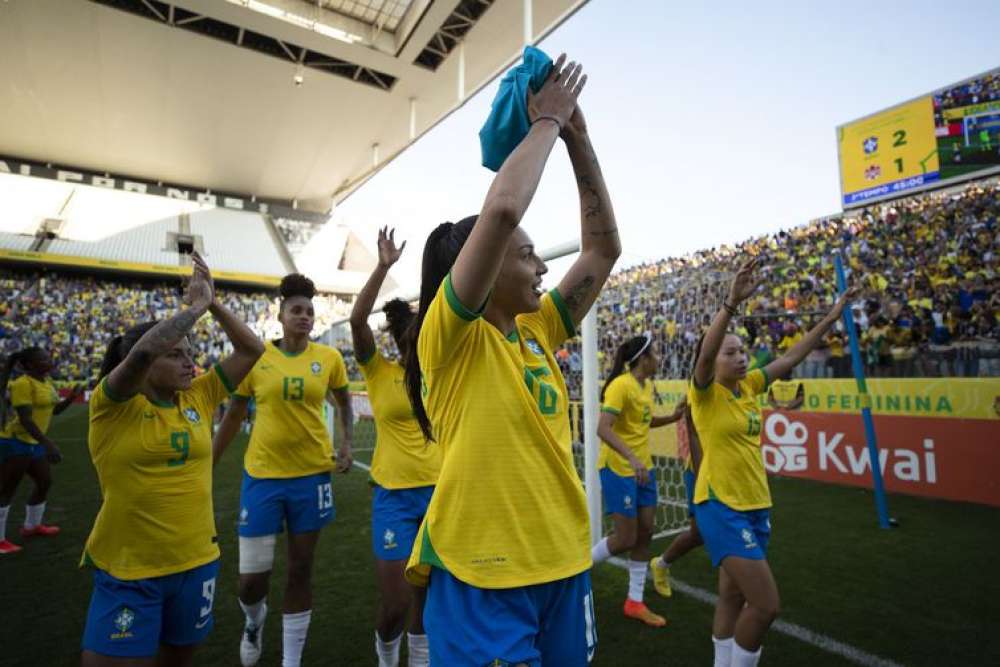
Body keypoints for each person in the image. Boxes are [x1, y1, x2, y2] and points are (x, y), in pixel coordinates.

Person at [403, 55, 619, 664]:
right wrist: (545, 121)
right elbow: (501, 212)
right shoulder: (447, 338)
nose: (543, 267)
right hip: (482, 573)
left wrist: (579, 138)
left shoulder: (538, 330)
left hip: (563, 560)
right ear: (486, 262)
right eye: (527, 256)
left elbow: (603, 249)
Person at [81, 252, 263, 666]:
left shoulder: (197, 394)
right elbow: (142, 354)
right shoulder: (112, 407)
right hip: (129, 571)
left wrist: (213, 302)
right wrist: (194, 309)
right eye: (176, 355)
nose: (190, 362)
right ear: (146, 367)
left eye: (189, 353)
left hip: (196, 563)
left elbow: (251, 348)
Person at [690, 257, 856, 667]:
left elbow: (792, 358)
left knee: (733, 596)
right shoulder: (705, 393)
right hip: (720, 504)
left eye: (743, 350)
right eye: (732, 353)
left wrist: (830, 317)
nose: (742, 357)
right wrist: (730, 303)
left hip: (755, 505)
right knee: (766, 607)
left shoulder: (751, 386)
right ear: (714, 361)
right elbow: (708, 354)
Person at [213, 272, 355, 667]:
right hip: (262, 477)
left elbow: (344, 402)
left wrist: (344, 442)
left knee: (300, 569)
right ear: (280, 315)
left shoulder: (328, 359)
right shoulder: (257, 358)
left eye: (310, 312)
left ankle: (291, 660)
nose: (305, 316)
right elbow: (234, 413)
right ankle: (254, 621)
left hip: (311, 477)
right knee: (251, 579)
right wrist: (207, 462)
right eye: (297, 310)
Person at [349, 228, 441, 667]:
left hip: (442, 494)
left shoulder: (439, 372)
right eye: (407, 340)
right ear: (398, 341)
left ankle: (419, 661)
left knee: (427, 600)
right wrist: (383, 266)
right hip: (394, 498)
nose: (414, 346)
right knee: (396, 604)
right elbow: (356, 321)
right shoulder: (377, 371)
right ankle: (386, 652)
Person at [589, 333, 684, 626]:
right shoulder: (621, 385)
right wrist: (631, 457)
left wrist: (673, 417)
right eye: (655, 353)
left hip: (645, 468)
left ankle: (634, 602)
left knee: (645, 533)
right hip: (619, 467)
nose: (659, 358)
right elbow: (603, 429)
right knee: (626, 538)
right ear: (643, 359)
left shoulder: (645, 386)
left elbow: (644, 421)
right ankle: (575, 570)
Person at [0, 348, 82, 554]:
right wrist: (48, 443)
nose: (49, 360)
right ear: (28, 366)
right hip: (15, 441)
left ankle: (31, 527)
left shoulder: (47, 383)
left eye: (48, 356)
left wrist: (71, 397)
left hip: (33, 443)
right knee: (6, 490)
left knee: (44, 482)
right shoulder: (22, 384)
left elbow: (54, 410)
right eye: (42, 359)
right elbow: (26, 419)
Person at [650, 394, 705, 597]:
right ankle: (661, 563)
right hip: (701, 468)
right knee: (699, 533)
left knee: (726, 531)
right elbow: (685, 410)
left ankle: (742, 591)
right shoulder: (700, 391)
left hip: (731, 470)